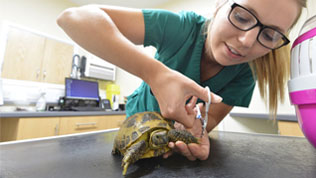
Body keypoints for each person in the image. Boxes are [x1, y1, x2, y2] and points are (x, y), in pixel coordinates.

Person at [57, 0, 307, 161]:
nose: (246, 41)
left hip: (175, 156)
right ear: (220, 5)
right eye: (241, 17)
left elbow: (206, 124)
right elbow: (73, 18)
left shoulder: (245, 75)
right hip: (132, 138)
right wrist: (156, 74)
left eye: (270, 34)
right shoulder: (181, 28)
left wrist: (194, 132)